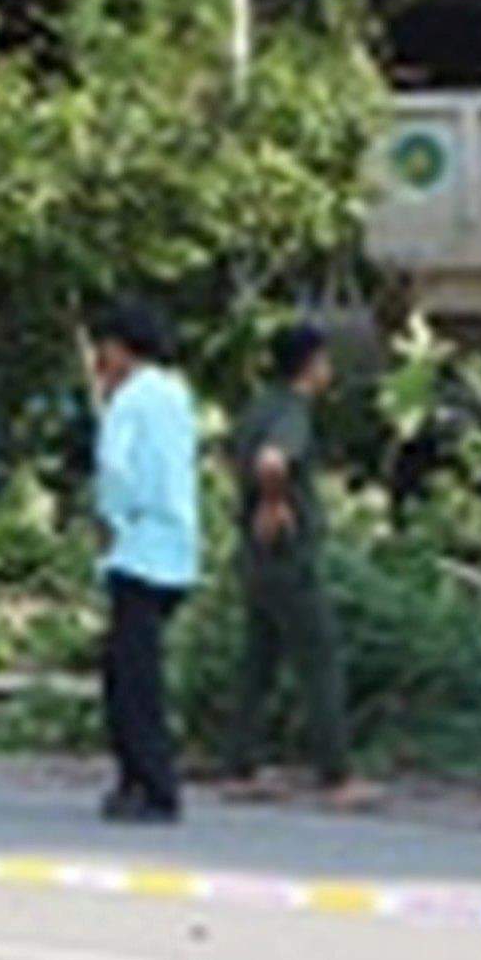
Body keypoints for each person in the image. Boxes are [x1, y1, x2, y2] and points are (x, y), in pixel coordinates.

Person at [219, 324, 371, 808]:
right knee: (320, 659)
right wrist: (274, 503)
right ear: (311, 364)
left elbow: (236, 456)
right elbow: (271, 460)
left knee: (258, 660)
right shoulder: (292, 411)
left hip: (256, 555)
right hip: (289, 555)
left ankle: (240, 763)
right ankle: (336, 775)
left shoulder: (259, 406)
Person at [88, 297, 201, 825]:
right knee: (133, 667)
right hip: (177, 549)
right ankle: (137, 778)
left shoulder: (128, 401)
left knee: (132, 678)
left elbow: (114, 468)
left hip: (137, 549)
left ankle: (153, 786)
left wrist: (109, 521)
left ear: (120, 349)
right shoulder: (177, 395)